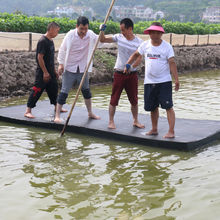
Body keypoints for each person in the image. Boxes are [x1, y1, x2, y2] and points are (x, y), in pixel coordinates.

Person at [125, 22, 180, 138]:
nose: (155, 35)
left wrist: (176, 80)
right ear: (149, 33)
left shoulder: (167, 46)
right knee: (152, 107)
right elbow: (135, 54)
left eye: (157, 33)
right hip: (149, 82)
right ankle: (154, 129)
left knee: (168, 106)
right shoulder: (145, 45)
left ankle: (171, 131)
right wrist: (128, 65)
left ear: (161, 34)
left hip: (164, 81)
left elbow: (172, 62)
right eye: (152, 32)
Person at [100, 18, 145, 129]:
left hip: (132, 75)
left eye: (123, 30)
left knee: (134, 100)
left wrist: (131, 66)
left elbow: (139, 59)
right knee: (114, 98)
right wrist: (102, 30)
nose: (122, 32)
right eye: (121, 30)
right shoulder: (118, 37)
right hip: (119, 73)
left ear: (130, 29)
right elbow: (103, 40)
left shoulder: (140, 42)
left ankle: (135, 120)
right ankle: (111, 121)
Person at [54, 16, 100, 123]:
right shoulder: (70, 35)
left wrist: (102, 30)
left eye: (85, 29)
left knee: (86, 91)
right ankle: (57, 115)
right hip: (69, 67)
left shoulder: (91, 35)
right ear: (76, 27)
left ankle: (90, 113)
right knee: (64, 92)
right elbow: (62, 50)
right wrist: (61, 64)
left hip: (83, 68)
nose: (83, 31)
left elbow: (100, 41)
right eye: (81, 29)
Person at [24, 22, 66, 119]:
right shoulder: (43, 41)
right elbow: (40, 57)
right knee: (37, 90)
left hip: (50, 71)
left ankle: (57, 107)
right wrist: (45, 72)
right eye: (57, 31)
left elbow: (50, 59)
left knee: (54, 88)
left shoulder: (51, 41)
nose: (57, 33)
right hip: (42, 72)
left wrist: (54, 71)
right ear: (51, 29)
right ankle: (28, 110)